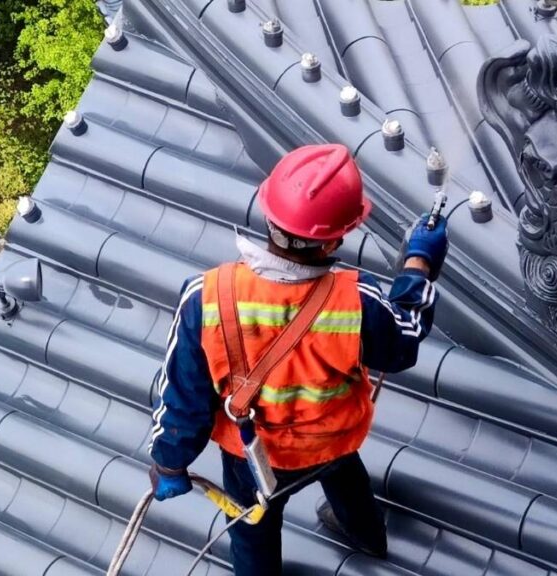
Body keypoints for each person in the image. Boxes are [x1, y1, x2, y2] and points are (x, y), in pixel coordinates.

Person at [148, 143, 447, 575]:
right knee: (349, 486)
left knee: (252, 531)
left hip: (252, 456)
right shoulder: (356, 304)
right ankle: (367, 538)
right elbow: (403, 341)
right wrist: (419, 262)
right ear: (335, 237)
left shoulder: (207, 298)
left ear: (269, 214)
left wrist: (169, 461)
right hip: (332, 442)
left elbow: (183, 400)